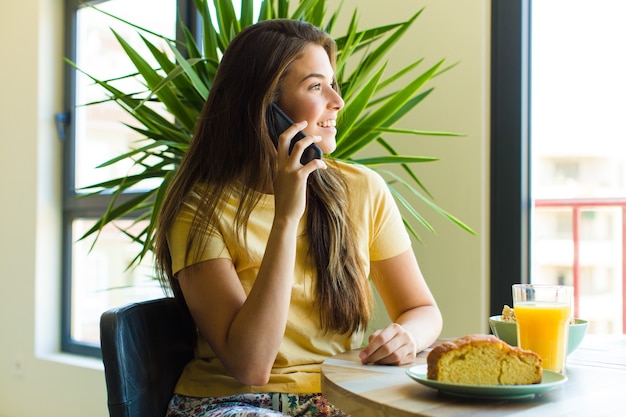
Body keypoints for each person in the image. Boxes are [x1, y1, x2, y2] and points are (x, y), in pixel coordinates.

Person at [154, 18, 443, 417]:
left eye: (333, 84)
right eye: (315, 86)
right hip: (232, 402)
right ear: (266, 108)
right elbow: (251, 365)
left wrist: (406, 336)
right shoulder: (199, 210)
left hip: (338, 398)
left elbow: (423, 310)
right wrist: (287, 217)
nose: (337, 101)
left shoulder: (363, 189)